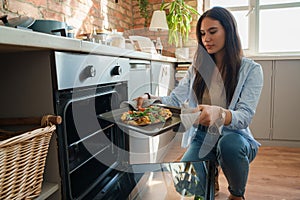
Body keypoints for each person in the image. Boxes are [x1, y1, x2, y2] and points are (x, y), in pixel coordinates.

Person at [136, 6, 263, 200]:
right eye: (202, 34)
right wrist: (150, 99)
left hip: (235, 137)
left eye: (213, 32)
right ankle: (209, 176)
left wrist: (220, 113)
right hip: (203, 137)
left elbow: (244, 116)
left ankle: (237, 194)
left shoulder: (251, 70)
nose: (206, 39)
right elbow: (175, 99)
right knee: (185, 182)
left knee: (229, 146)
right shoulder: (197, 68)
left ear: (229, 31)